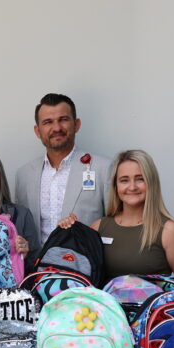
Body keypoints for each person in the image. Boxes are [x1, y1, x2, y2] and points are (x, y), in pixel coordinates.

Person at [15, 93, 113, 246]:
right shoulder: (24, 175)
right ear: (37, 131)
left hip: (84, 266)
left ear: (77, 124)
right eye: (48, 122)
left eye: (63, 119)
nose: (57, 128)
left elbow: (115, 225)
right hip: (36, 268)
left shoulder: (104, 168)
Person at [82, 149, 174, 281]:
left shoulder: (169, 231)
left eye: (140, 179)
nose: (132, 187)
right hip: (103, 302)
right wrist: (68, 230)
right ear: (115, 186)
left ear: (151, 183)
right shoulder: (98, 227)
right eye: (124, 180)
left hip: (150, 302)